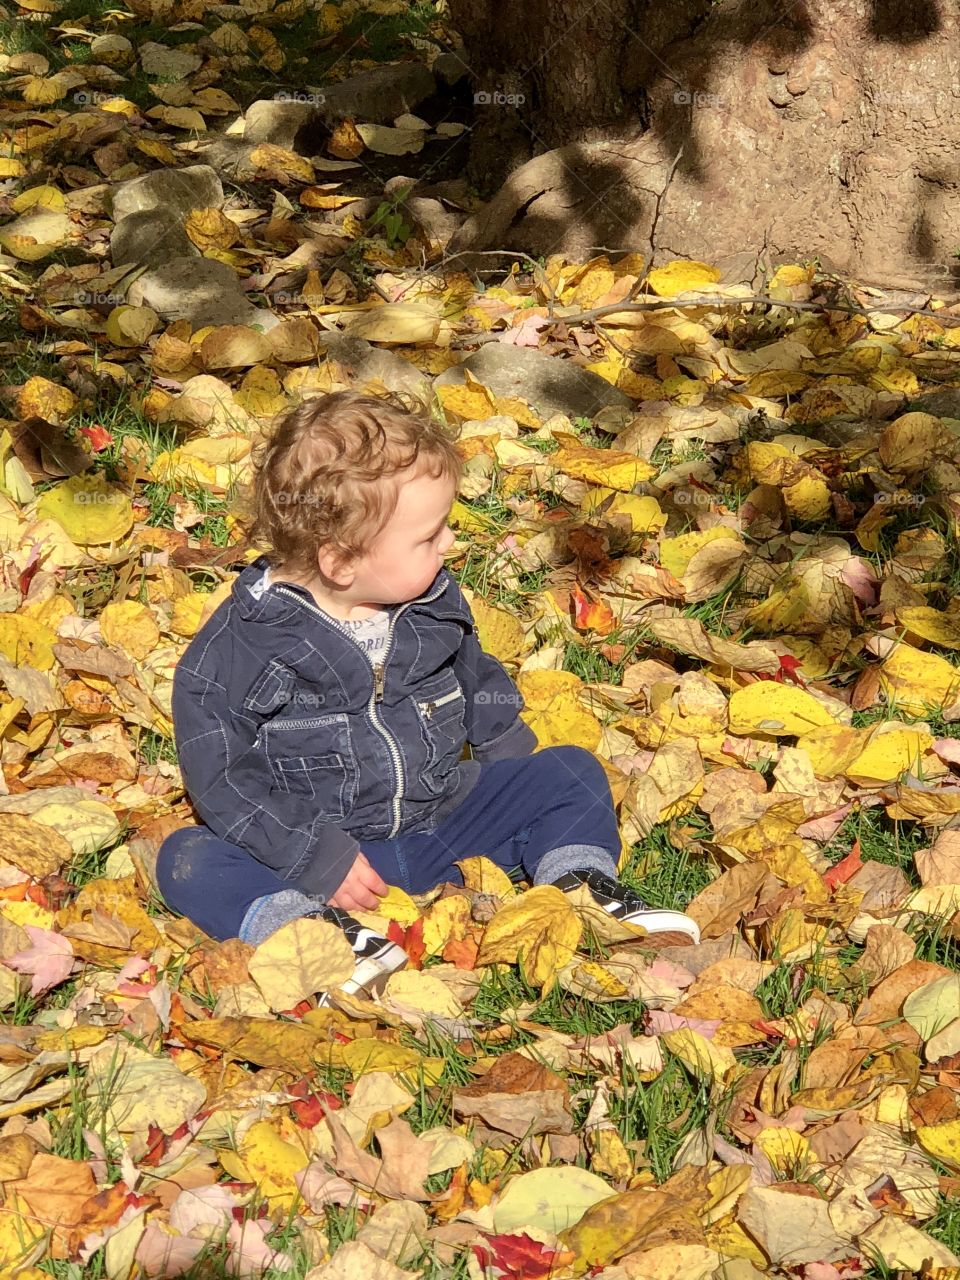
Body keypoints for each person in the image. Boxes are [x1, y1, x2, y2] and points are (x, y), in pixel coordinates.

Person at [156, 390, 700, 998]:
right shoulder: (242, 647)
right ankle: (319, 937)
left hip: (439, 819)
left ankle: (581, 889)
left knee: (568, 772)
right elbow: (219, 773)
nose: (447, 544)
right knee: (187, 859)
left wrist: (513, 768)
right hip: (326, 855)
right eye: (429, 535)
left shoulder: (431, 603)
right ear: (340, 562)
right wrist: (310, 854)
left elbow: (477, 679)